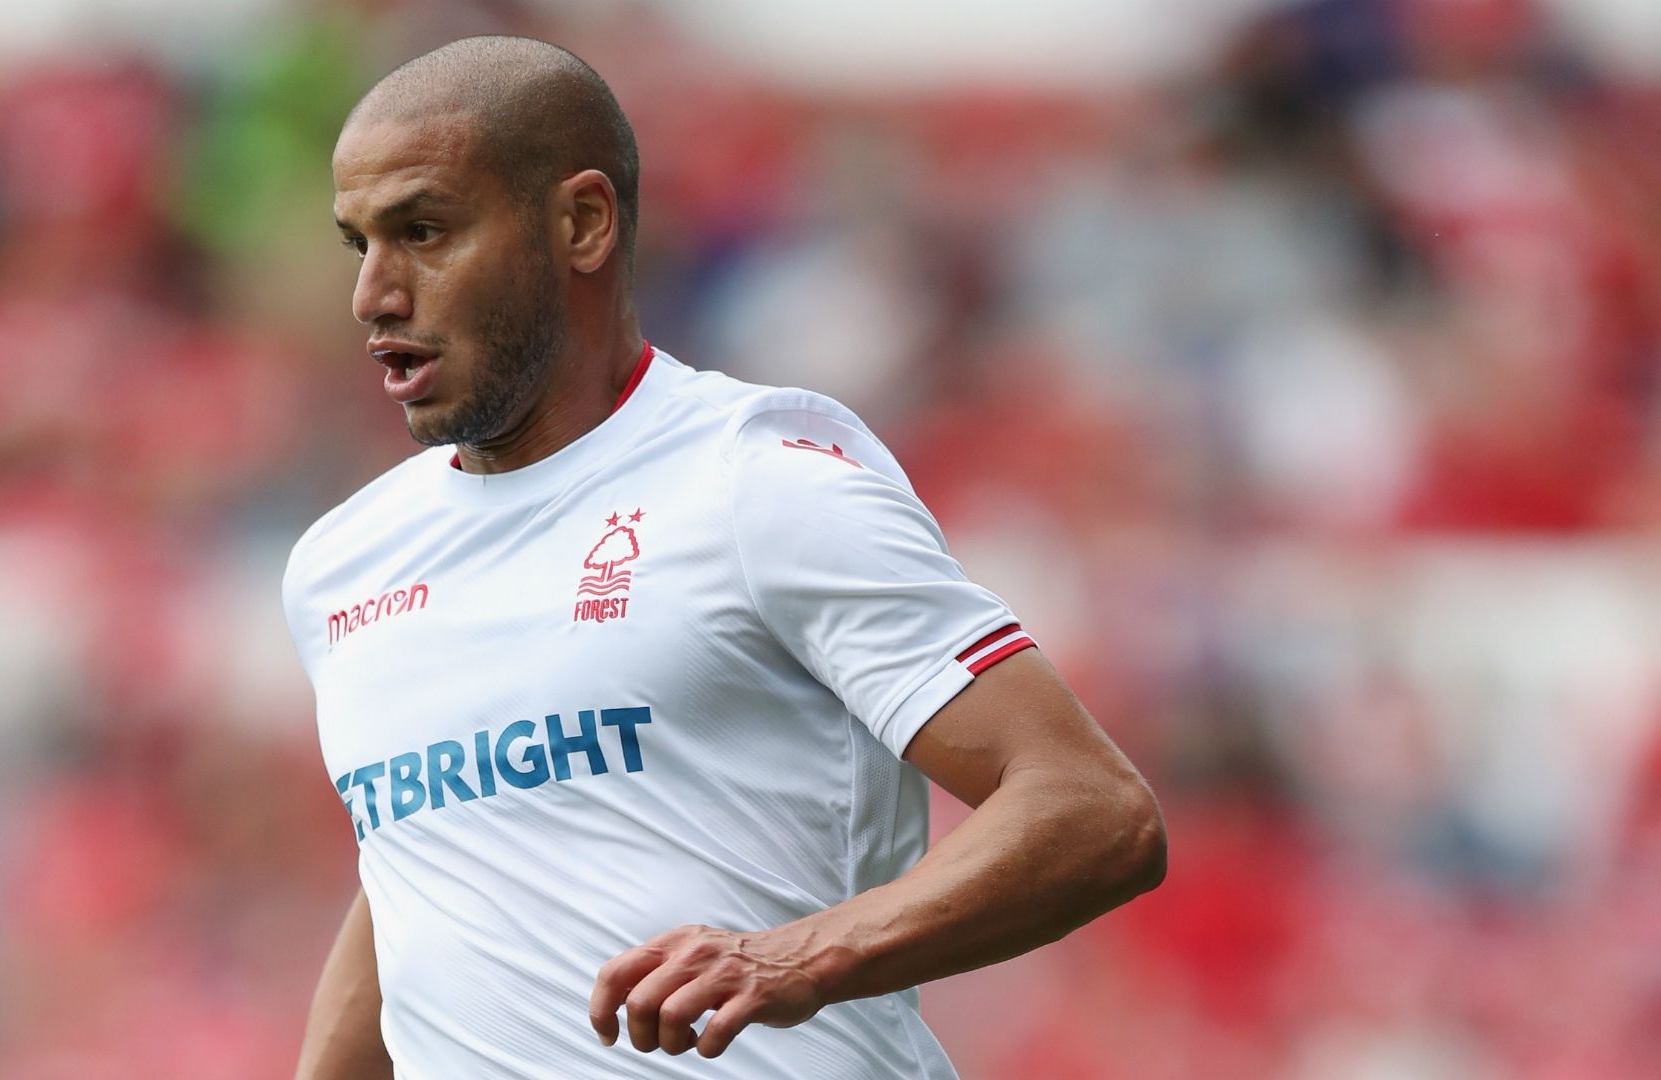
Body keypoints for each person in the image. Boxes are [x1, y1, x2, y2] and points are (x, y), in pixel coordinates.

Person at [283, 35, 1166, 1079]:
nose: (374, 295)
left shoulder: (760, 483)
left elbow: (1093, 811)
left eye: (424, 231)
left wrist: (798, 958)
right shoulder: (344, 562)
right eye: (360, 245)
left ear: (581, 222)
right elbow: (420, 871)